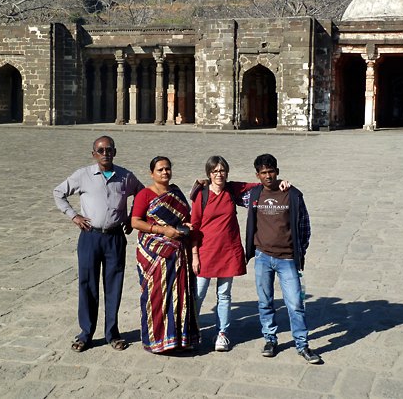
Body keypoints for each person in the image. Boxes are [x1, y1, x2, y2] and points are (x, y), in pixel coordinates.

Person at [53, 135, 144, 352]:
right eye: (101, 150)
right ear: (93, 154)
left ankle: (112, 333)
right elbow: (58, 192)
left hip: (115, 237)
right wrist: (74, 216)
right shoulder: (83, 175)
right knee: (88, 285)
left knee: (114, 285)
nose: (105, 154)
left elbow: (142, 194)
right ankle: (86, 333)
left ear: (115, 152)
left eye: (109, 150)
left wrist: (132, 218)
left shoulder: (125, 176)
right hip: (90, 237)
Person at [190, 156, 289, 352]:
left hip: (228, 250)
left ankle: (222, 333)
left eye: (222, 170)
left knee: (224, 294)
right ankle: (192, 331)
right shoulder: (201, 194)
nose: (219, 174)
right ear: (209, 174)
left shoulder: (231, 189)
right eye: (215, 171)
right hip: (205, 251)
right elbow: (194, 225)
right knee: (198, 294)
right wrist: (194, 255)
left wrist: (280, 182)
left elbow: (259, 185)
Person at [244, 154, 321, 364]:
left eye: (271, 171)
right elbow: (229, 189)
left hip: (287, 258)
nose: (268, 176)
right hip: (262, 256)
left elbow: (304, 226)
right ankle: (270, 339)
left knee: (295, 304)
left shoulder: (292, 195)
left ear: (277, 172)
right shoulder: (254, 195)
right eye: (263, 173)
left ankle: (302, 344)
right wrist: (201, 184)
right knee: (265, 302)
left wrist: (299, 252)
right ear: (257, 175)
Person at [131, 156, 200, 353]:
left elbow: (185, 217)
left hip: (179, 253)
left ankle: (179, 339)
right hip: (154, 253)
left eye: (167, 169)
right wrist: (163, 231)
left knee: (181, 294)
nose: (164, 172)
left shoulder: (175, 192)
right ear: (151, 173)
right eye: (160, 169)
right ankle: (157, 340)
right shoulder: (145, 194)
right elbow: (135, 222)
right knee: (156, 296)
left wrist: (185, 226)